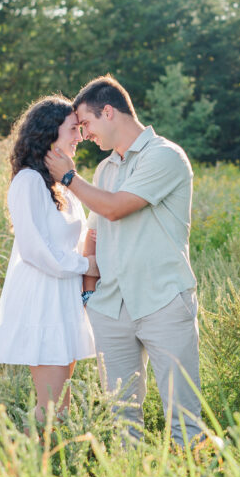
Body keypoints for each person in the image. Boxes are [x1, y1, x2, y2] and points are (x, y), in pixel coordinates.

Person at [44, 74, 202, 447]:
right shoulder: (105, 169)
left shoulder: (164, 156)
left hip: (162, 301)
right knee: (120, 420)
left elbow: (114, 209)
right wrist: (89, 295)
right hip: (111, 308)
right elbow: (94, 232)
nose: (83, 135)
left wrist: (67, 176)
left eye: (86, 124)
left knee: (183, 418)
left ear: (109, 112)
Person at [0, 95, 101, 424]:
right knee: (51, 406)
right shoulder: (28, 182)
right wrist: (85, 266)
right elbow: (35, 250)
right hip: (43, 300)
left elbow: (80, 240)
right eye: (73, 129)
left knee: (61, 407)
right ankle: (23, 472)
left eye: (81, 129)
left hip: (65, 298)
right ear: (49, 132)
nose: (79, 137)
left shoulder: (62, 186)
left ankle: (49, 469)